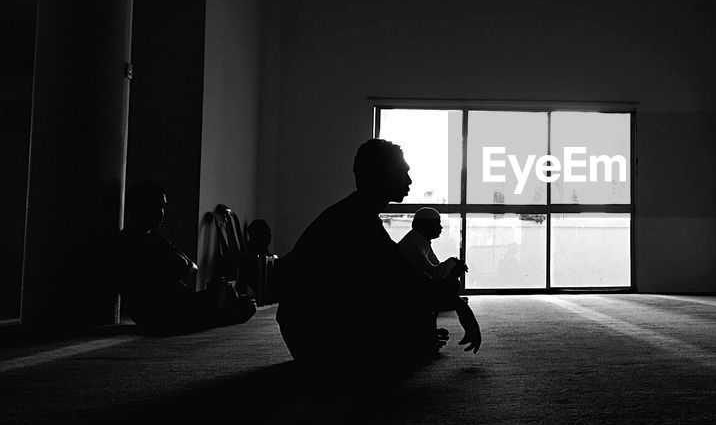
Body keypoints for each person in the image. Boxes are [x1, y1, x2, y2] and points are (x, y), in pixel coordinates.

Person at [275, 139, 481, 373]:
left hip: (306, 333)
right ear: (381, 175)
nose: (410, 180)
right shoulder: (357, 222)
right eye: (403, 173)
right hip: (317, 341)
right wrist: (459, 305)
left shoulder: (354, 213)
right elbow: (408, 282)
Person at [117, 181, 257, 334]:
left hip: (180, 302)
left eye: (163, 207)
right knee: (245, 306)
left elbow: (191, 267)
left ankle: (215, 312)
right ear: (142, 207)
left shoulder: (154, 238)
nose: (162, 212)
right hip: (163, 311)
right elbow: (183, 268)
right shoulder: (132, 242)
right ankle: (212, 316)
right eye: (158, 207)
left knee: (243, 301)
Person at [398, 207, 483, 342]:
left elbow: (436, 269)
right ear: (426, 225)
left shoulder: (420, 240)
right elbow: (434, 274)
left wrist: (452, 269)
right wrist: (453, 262)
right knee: (454, 293)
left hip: (415, 287)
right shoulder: (414, 245)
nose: (441, 227)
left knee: (453, 286)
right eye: (437, 223)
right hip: (406, 293)